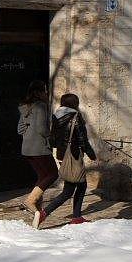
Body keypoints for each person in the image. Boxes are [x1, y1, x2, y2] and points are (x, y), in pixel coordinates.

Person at [40, 93, 97, 226]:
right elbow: (82, 139)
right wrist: (91, 154)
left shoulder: (56, 116)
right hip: (73, 155)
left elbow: (53, 139)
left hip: (62, 155)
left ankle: (76, 217)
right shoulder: (76, 116)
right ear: (75, 103)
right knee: (71, 189)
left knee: (76, 186)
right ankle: (45, 213)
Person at [17, 80, 56, 226]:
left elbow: (20, 129)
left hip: (27, 148)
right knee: (52, 174)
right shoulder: (41, 106)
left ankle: (38, 212)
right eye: (45, 90)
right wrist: (50, 135)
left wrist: (29, 130)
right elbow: (42, 129)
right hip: (39, 147)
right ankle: (30, 201)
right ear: (39, 92)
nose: (46, 93)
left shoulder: (24, 107)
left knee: (42, 176)